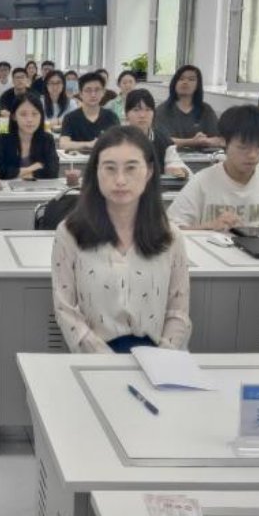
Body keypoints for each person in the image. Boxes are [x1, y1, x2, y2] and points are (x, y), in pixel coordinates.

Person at [51, 126, 192, 354]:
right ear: (96, 172)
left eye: (131, 168)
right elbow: (65, 309)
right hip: (95, 358)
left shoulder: (170, 236)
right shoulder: (70, 233)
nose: (120, 180)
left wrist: (163, 358)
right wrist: (106, 360)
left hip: (158, 357)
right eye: (109, 168)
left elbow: (178, 312)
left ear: (149, 172)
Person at [171, 106, 259, 234]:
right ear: (224, 142)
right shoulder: (203, 181)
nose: (252, 155)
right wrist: (208, 227)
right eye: (243, 147)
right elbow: (171, 230)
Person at [0, 98, 61, 181]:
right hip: (8, 189)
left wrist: (14, 173)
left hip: (41, 188)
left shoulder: (47, 139)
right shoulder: (3, 139)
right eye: (23, 114)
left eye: (34, 114)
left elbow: (53, 172)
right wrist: (29, 169)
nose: (30, 119)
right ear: (14, 116)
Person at [123, 89, 189, 177]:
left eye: (148, 110)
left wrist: (179, 170)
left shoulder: (162, 139)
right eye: (136, 110)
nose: (142, 115)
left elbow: (176, 163)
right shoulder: (117, 139)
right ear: (126, 114)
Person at [154, 65, 221, 149]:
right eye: (181, 79)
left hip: (203, 156)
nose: (185, 82)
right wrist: (193, 141)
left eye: (191, 79)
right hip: (172, 155)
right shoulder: (163, 110)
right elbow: (162, 140)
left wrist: (205, 140)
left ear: (198, 85)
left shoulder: (206, 110)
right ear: (174, 83)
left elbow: (219, 139)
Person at [59, 72, 121, 151]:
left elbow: (119, 142)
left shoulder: (111, 116)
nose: (93, 95)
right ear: (80, 94)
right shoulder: (70, 118)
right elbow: (64, 144)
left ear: (103, 92)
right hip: (78, 158)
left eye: (97, 90)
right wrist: (88, 144)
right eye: (88, 90)